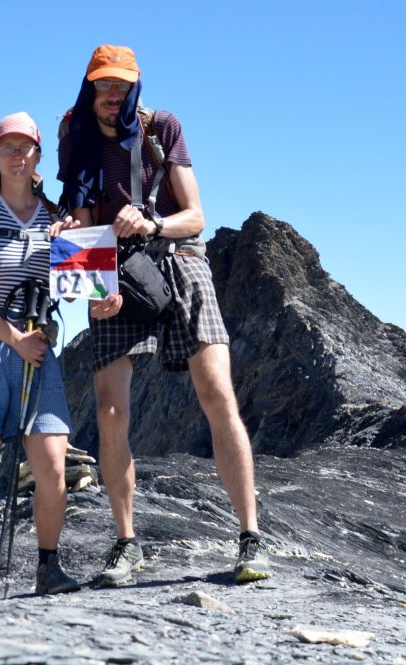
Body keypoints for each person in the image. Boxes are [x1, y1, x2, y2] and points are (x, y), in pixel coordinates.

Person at [54, 45, 273, 585]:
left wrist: (150, 221)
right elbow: (82, 224)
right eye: (104, 85)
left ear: (136, 88)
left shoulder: (163, 127)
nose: (113, 95)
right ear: (89, 86)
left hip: (179, 261)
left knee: (217, 392)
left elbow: (196, 215)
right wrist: (90, 292)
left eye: (122, 86)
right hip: (116, 271)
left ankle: (251, 538)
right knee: (110, 412)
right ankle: (126, 544)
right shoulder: (74, 134)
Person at [0, 112, 81, 598]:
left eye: (27, 149)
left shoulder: (56, 218)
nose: (18, 156)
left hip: (37, 348)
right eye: (9, 148)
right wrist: (13, 339)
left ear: (39, 157)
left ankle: (49, 568)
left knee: (50, 462)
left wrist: (103, 297)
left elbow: (74, 288)